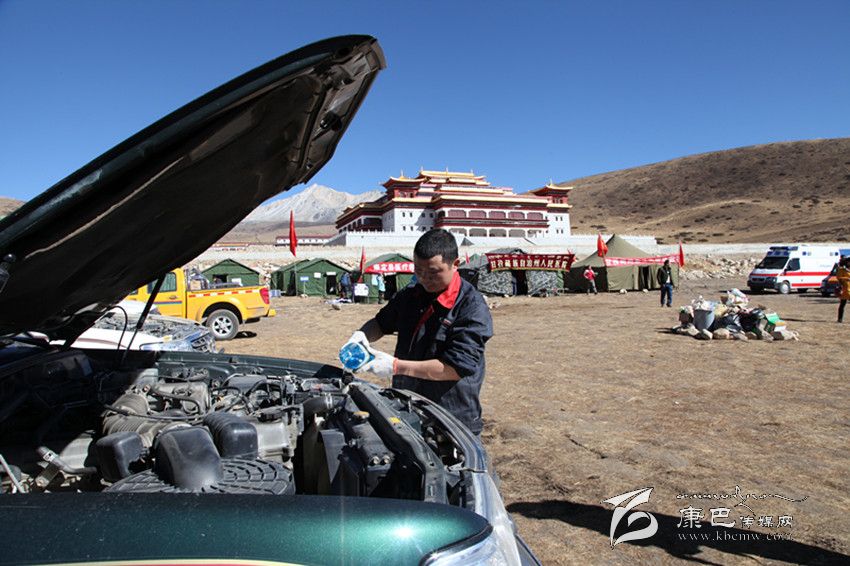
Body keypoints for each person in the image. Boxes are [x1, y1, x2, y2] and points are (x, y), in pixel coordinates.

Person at [340, 229, 493, 435]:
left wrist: (396, 366)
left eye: (433, 272)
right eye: (418, 270)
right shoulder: (412, 294)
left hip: (450, 416)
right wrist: (361, 336)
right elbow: (381, 323)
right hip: (405, 404)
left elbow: (455, 368)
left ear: (455, 264)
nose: (424, 278)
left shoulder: (471, 307)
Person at [836, 257, 850, 323]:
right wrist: (847, 278)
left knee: (842, 304)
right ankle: (840, 318)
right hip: (845, 289)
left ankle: (840, 319)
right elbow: (838, 277)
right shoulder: (842, 269)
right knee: (842, 305)